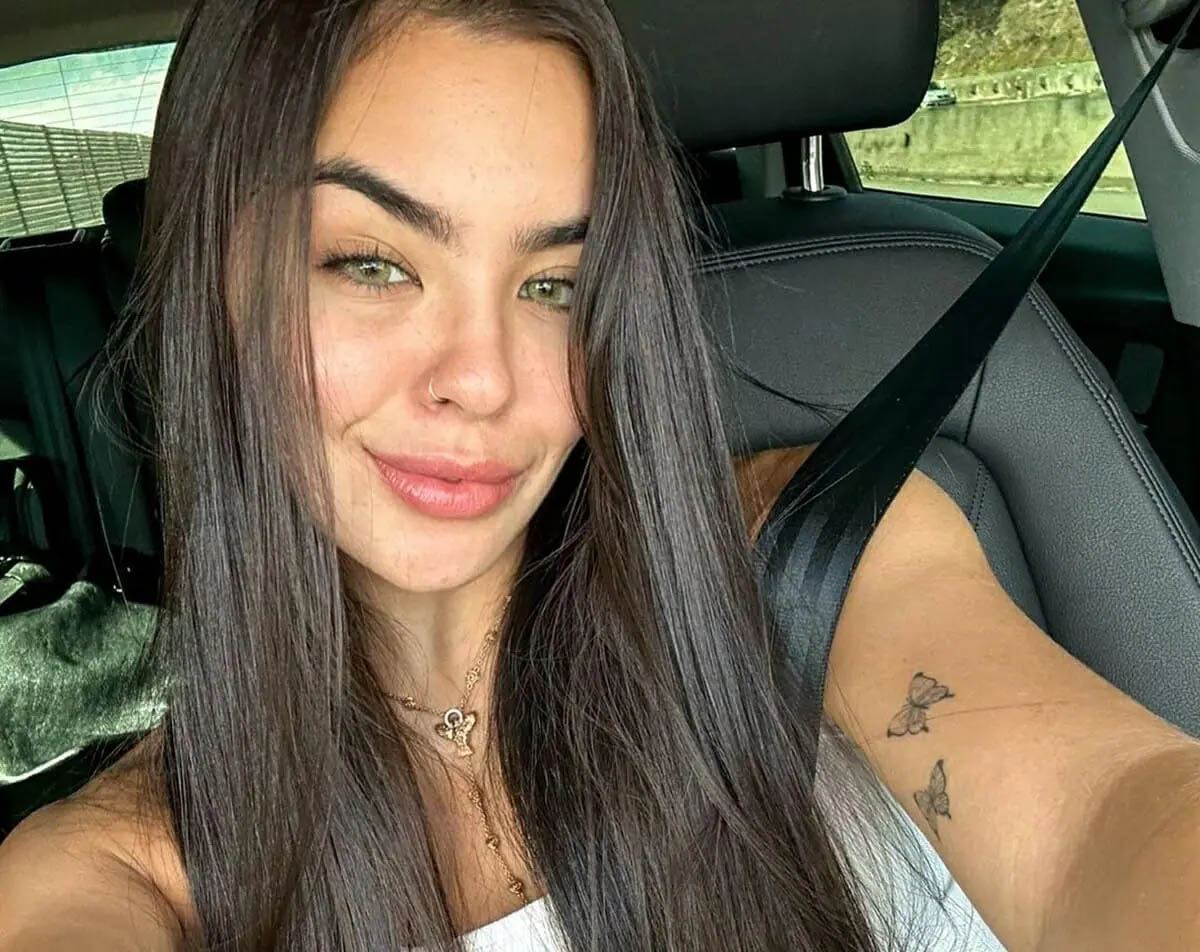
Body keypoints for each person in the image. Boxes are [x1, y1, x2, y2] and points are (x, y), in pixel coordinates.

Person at [0, 1, 1197, 950]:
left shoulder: (821, 553)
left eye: (557, 286)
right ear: (215, 285)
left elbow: (1104, 817)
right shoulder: (119, 874)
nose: (484, 378)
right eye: (370, 263)